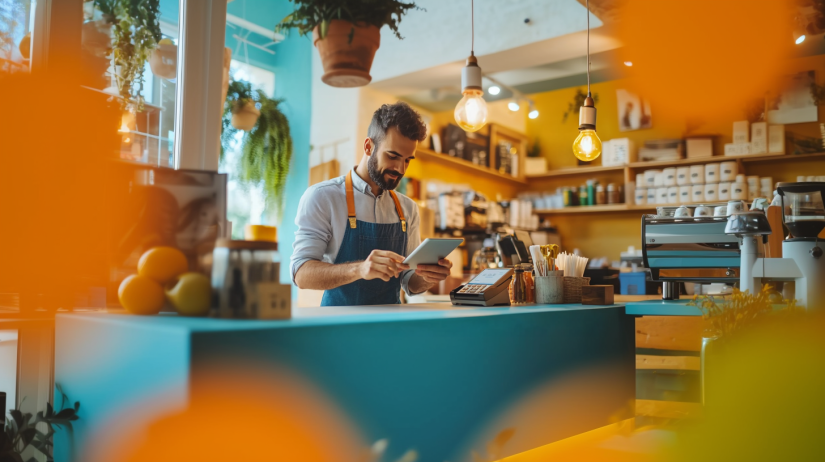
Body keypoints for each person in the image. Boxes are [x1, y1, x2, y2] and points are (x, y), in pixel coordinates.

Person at [291, 102, 452, 306]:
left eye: (407, 160)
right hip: (339, 329)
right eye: (392, 156)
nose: (400, 169)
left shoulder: (408, 209)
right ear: (368, 146)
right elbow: (301, 274)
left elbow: (409, 283)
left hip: (390, 329)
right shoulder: (323, 197)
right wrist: (359, 269)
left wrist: (428, 277)